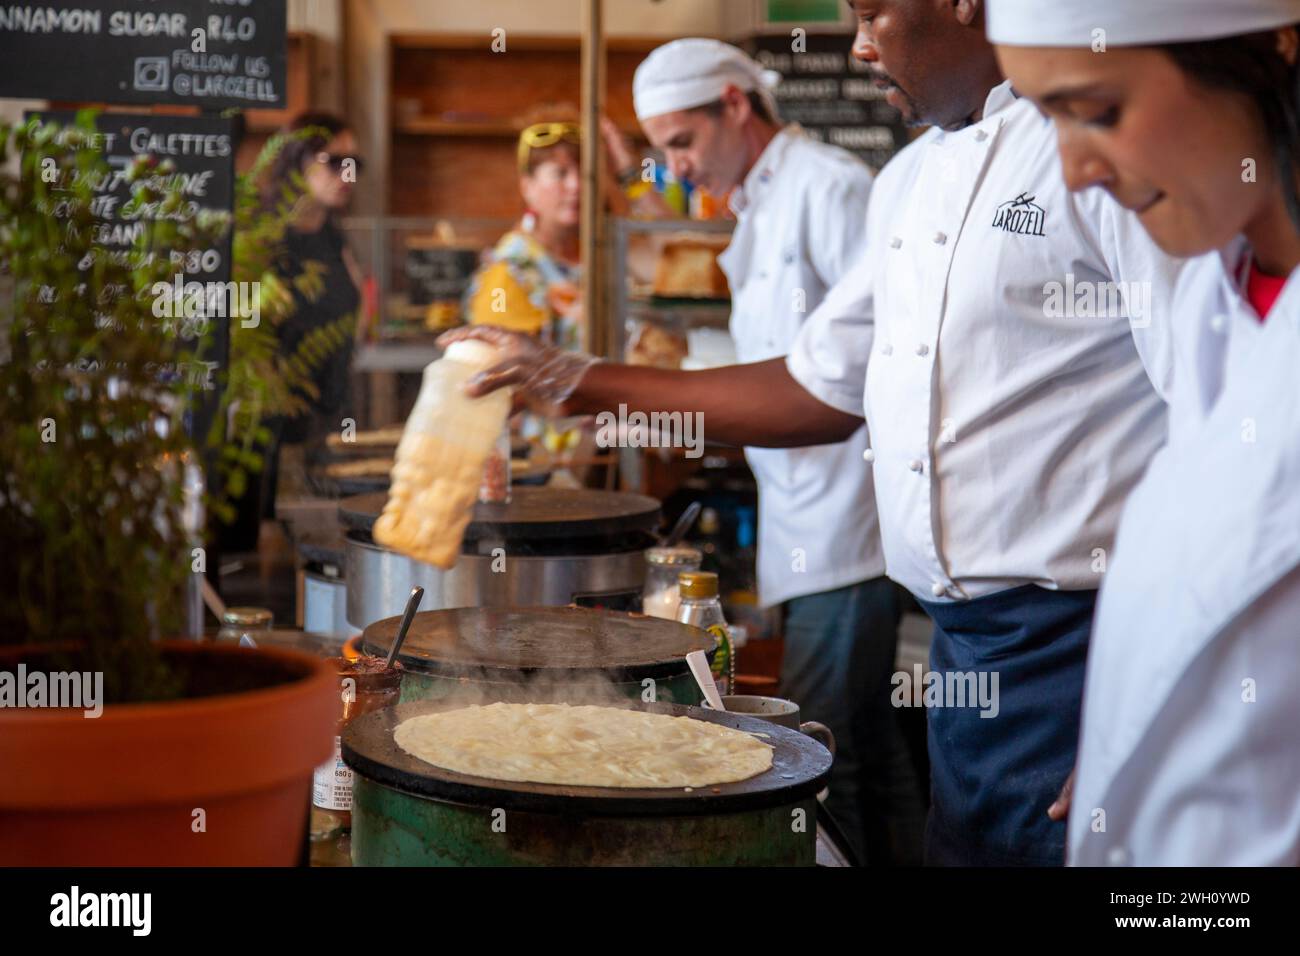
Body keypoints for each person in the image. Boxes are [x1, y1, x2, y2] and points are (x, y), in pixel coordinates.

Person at [443, 0, 1192, 867]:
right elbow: (818, 386)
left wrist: (1166, 696)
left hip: (1084, 647)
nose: (861, 45)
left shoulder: (1097, 148)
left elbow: (1222, 430)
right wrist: (576, 381)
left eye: (874, 13)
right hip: (962, 643)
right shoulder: (910, 180)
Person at [989, 0, 1300, 865]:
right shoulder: (1217, 293)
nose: (1074, 172)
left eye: (1095, 111)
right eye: (1044, 115)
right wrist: (1129, 748)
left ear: (1271, 52)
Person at [602, 38, 922, 866]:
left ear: (735, 105)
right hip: (804, 515)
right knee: (869, 751)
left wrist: (638, 396)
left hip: (852, 525)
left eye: (682, 142)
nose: (674, 168)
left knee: (812, 759)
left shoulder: (831, 186)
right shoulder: (760, 201)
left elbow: (869, 365)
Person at [257, 112, 366, 521]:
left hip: (331, 425)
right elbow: (242, 331)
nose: (348, 175)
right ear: (297, 161)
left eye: (356, 164)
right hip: (274, 438)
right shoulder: (260, 240)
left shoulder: (333, 236)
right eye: (335, 162)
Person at [465, 109, 583, 352]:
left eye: (584, 173)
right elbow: (502, 366)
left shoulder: (595, 252)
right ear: (527, 186)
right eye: (560, 174)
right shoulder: (509, 270)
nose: (576, 185)